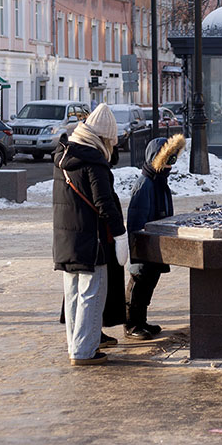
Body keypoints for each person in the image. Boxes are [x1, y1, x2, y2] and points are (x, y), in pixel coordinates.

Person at [53, 103, 127, 366]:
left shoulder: (64, 157)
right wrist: (120, 236)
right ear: (104, 137)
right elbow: (104, 203)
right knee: (91, 295)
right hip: (91, 241)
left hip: (66, 240)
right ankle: (85, 352)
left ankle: (76, 347)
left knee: (73, 295)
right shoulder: (93, 162)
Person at [124, 133, 186, 339]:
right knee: (139, 282)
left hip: (154, 244)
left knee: (149, 282)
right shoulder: (145, 184)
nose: (171, 164)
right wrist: (138, 250)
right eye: (168, 159)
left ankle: (140, 320)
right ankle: (131, 324)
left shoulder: (159, 181)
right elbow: (135, 220)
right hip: (144, 246)